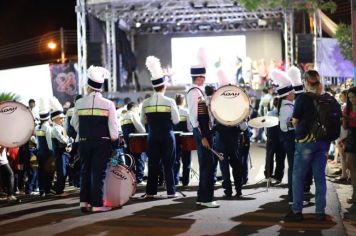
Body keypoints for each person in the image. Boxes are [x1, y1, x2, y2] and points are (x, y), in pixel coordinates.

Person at [71, 65, 119, 213]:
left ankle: (84, 202)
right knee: (98, 173)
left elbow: (74, 123)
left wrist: (84, 132)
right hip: (102, 142)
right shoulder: (108, 104)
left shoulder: (79, 103)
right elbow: (114, 127)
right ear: (100, 87)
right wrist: (115, 141)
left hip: (84, 141)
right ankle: (97, 204)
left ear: (89, 86)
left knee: (85, 170)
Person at [285, 70, 330, 221]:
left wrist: (293, 122)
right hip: (323, 143)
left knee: (298, 177)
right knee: (320, 177)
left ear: (305, 81)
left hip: (305, 142)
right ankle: (320, 212)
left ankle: (297, 211)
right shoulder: (326, 98)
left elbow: (296, 121)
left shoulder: (303, 98)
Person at [140, 56, 179, 198]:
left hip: (152, 136)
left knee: (152, 165)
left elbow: (142, 120)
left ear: (153, 86)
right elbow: (175, 121)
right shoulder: (170, 101)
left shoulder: (145, 102)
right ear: (164, 86)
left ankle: (150, 192)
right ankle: (171, 191)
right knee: (169, 164)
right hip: (167, 135)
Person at [186, 65, 219, 208]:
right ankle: (206, 199)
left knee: (207, 164)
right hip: (202, 131)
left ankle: (202, 197)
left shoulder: (197, 91)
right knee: (207, 165)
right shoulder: (194, 92)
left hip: (204, 130)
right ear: (199, 77)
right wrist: (203, 136)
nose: (204, 79)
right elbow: (194, 117)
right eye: (203, 77)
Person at [270, 69, 295, 206]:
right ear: (288, 94)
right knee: (293, 168)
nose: (294, 93)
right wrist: (297, 124)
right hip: (290, 139)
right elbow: (285, 127)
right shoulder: (286, 108)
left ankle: (293, 195)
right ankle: (292, 197)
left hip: (289, 139)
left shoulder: (287, 105)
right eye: (292, 92)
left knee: (293, 168)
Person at [50, 96, 71, 196]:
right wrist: (69, 141)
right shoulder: (55, 129)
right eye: (61, 118)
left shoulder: (59, 127)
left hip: (63, 153)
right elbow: (63, 139)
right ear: (56, 119)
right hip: (59, 153)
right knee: (61, 172)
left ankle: (58, 188)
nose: (63, 120)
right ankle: (58, 190)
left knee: (64, 171)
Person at [121, 101, 146, 185]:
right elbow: (140, 127)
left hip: (127, 142)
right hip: (135, 141)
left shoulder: (123, 117)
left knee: (129, 161)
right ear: (133, 108)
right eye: (137, 108)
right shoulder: (133, 114)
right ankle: (139, 179)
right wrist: (144, 132)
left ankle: (131, 178)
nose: (138, 110)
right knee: (139, 159)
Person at [264, 97, 286, 183]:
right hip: (281, 138)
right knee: (280, 158)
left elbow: (265, 126)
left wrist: (267, 135)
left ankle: (268, 175)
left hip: (271, 137)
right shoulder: (283, 113)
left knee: (269, 157)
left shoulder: (269, 113)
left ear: (273, 104)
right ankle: (278, 176)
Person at [35, 97, 54, 197]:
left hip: (39, 152)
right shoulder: (47, 127)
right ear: (47, 117)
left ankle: (41, 189)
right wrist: (52, 152)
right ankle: (47, 189)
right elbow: (49, 142)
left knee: (41, 171)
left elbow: (37, 141)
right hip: (47, 152)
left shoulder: (37, 127)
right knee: (48, 171)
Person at [173, 94, 192, 186]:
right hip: (185, 139)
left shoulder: (172, 111)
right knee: (186, 160)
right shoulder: (186, 111)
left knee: (175, 160)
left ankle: (175, 181)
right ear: (183, 101)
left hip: (174, 138)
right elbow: (189, 127)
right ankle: (185, 181)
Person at [343, 87, 356, 204]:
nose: (352, 99)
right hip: (352, 137)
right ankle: (354, 194)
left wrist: (350, 118)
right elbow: (345, 127)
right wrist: (344, 120)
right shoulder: (347, 108)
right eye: (350, 97)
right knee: (352, 167)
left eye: (354, 96)